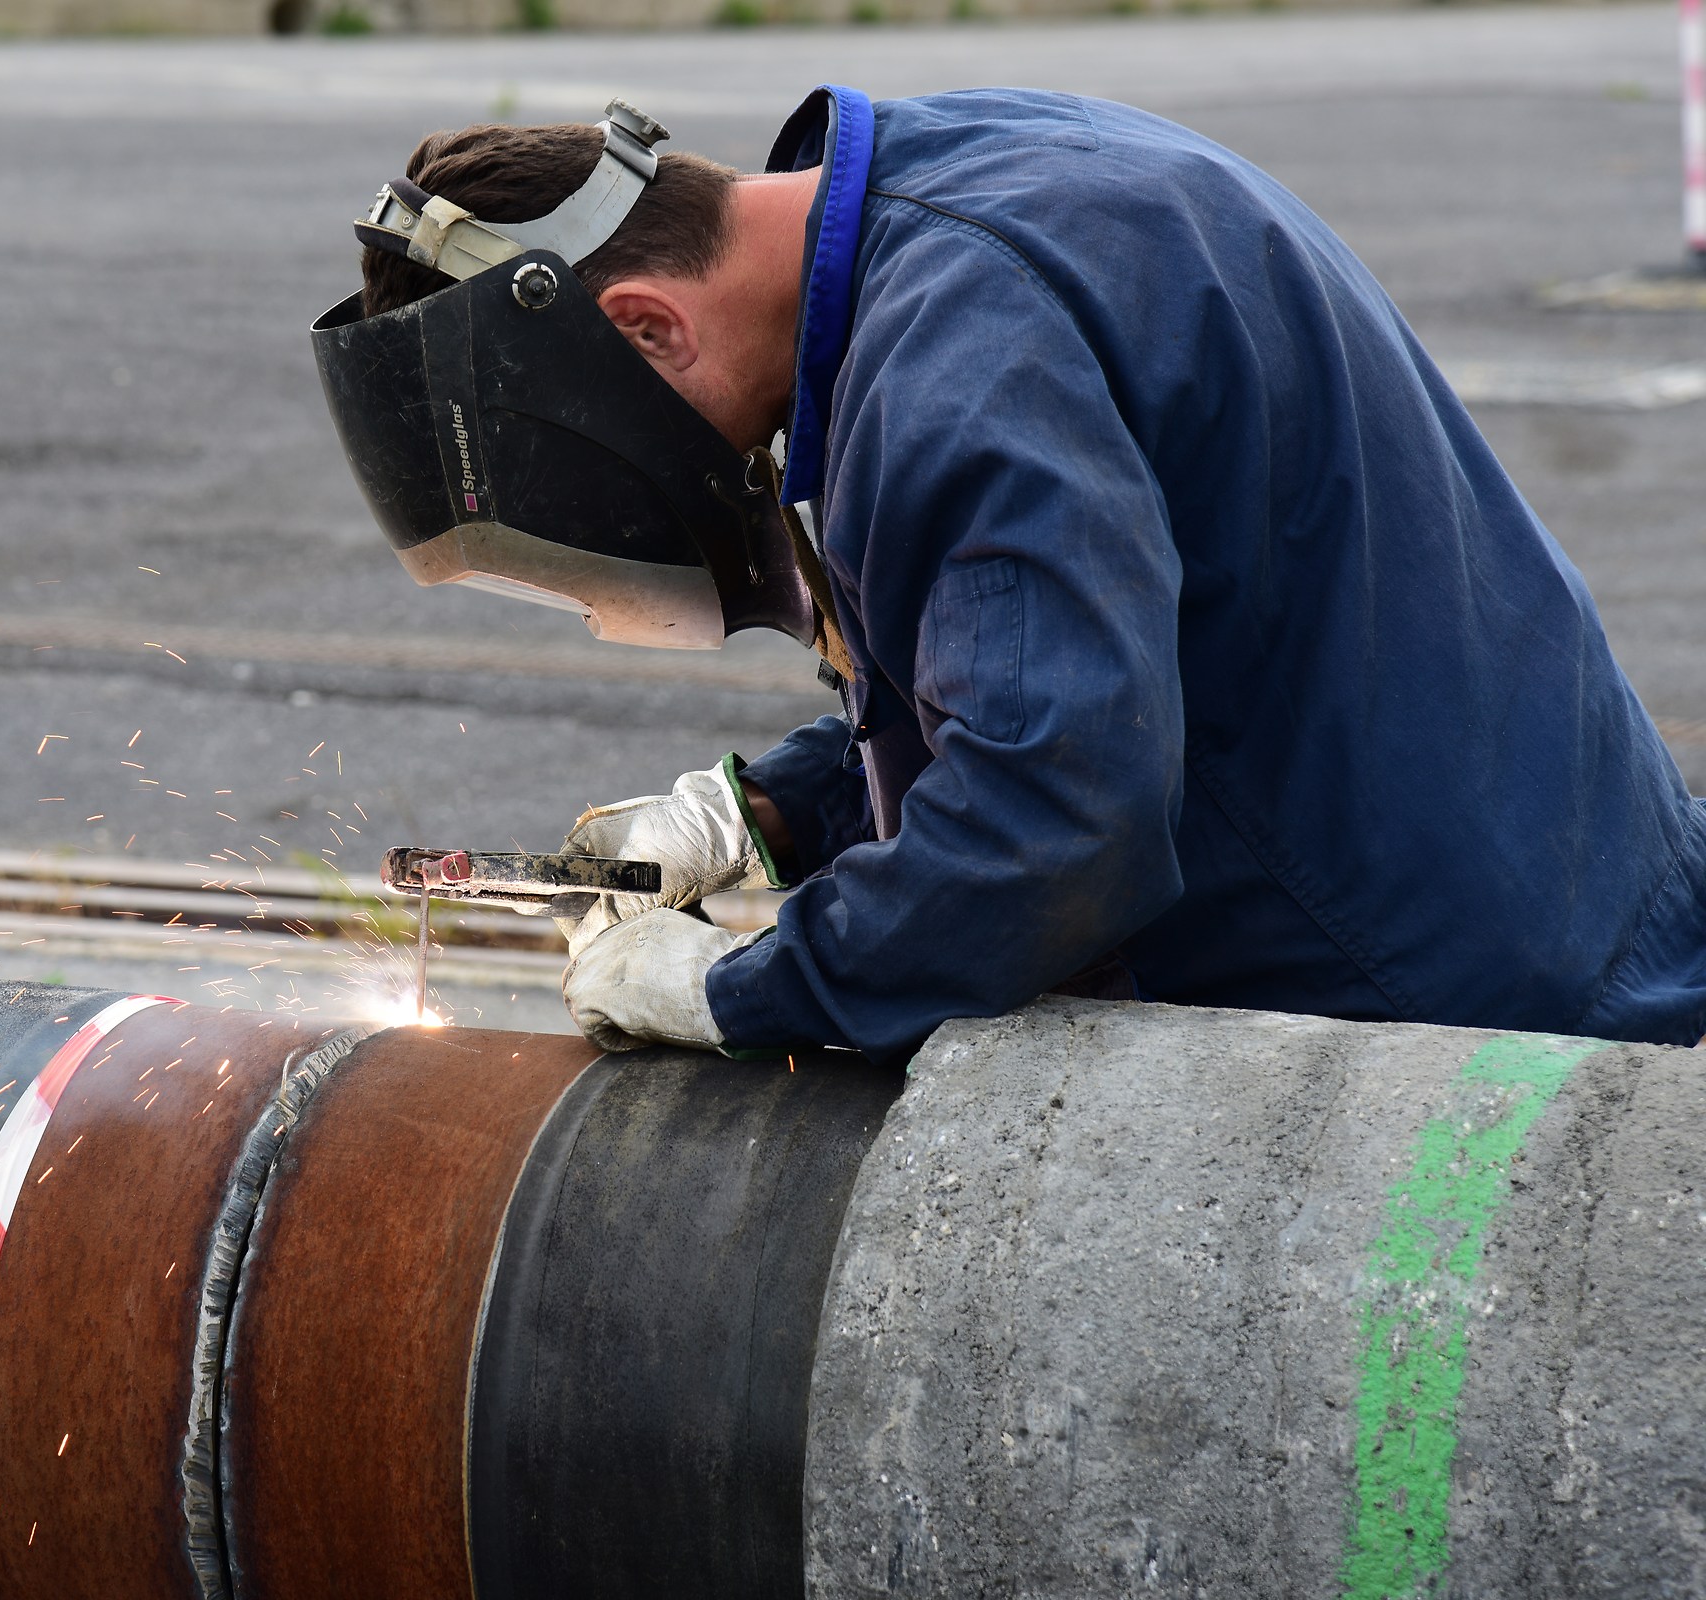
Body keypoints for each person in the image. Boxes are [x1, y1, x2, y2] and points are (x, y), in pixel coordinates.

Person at [309, 89, 1706, 1062]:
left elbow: (1059, 821)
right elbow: (1052, 652)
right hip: (1577, 891)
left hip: (1456, 1032)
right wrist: (760, 818)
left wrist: (746, 991)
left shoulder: (955, 368)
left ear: (647, 324)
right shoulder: (950, 186)